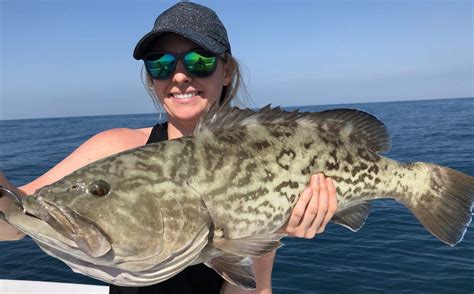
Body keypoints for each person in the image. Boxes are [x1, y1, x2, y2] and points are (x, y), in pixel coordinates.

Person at [0, 2, 337, 293]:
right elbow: (16, 218)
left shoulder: (265, 159)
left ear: (226, 72)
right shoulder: (115, 148)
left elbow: (255, 288)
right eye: (160, 63)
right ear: (150, 77)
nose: (179, 76)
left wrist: (266, 234)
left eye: (199, 60)